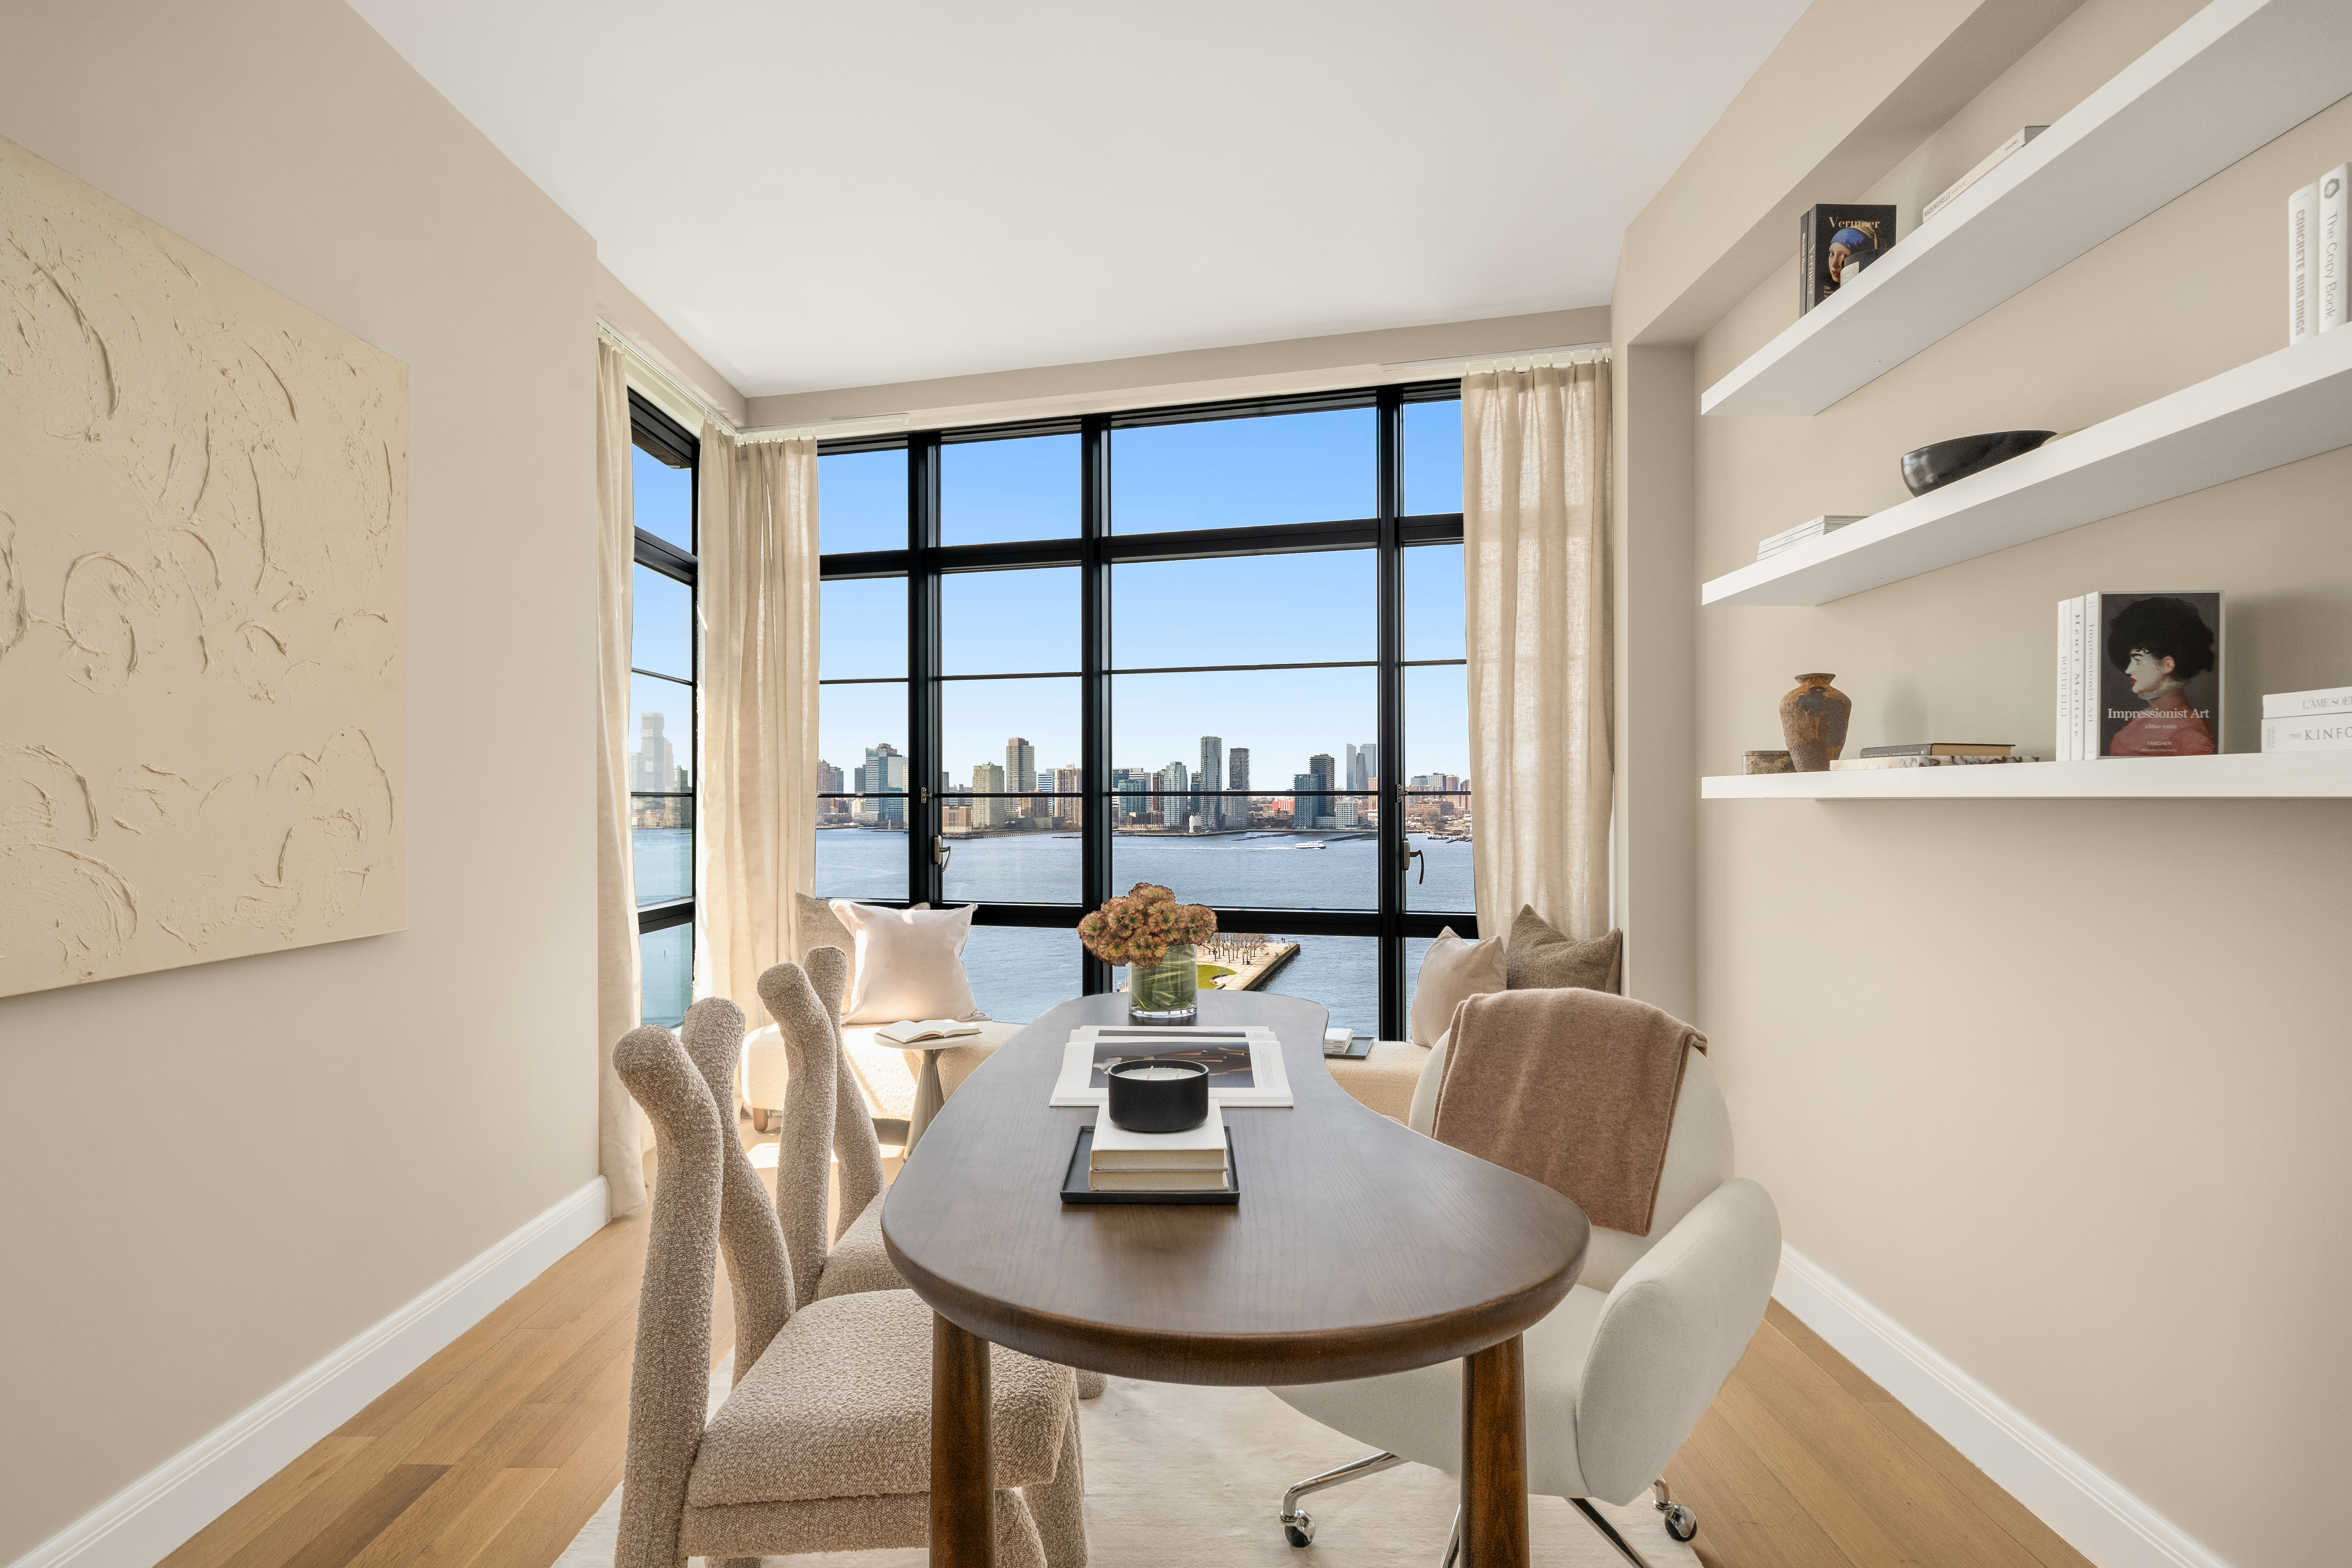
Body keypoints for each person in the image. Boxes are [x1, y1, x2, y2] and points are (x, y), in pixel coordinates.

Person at [2104, 595, 2216, 756]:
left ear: (2167, 665)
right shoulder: (2141, 719)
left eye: (2137, 660)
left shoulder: (2190, 735)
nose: (2128, 670)